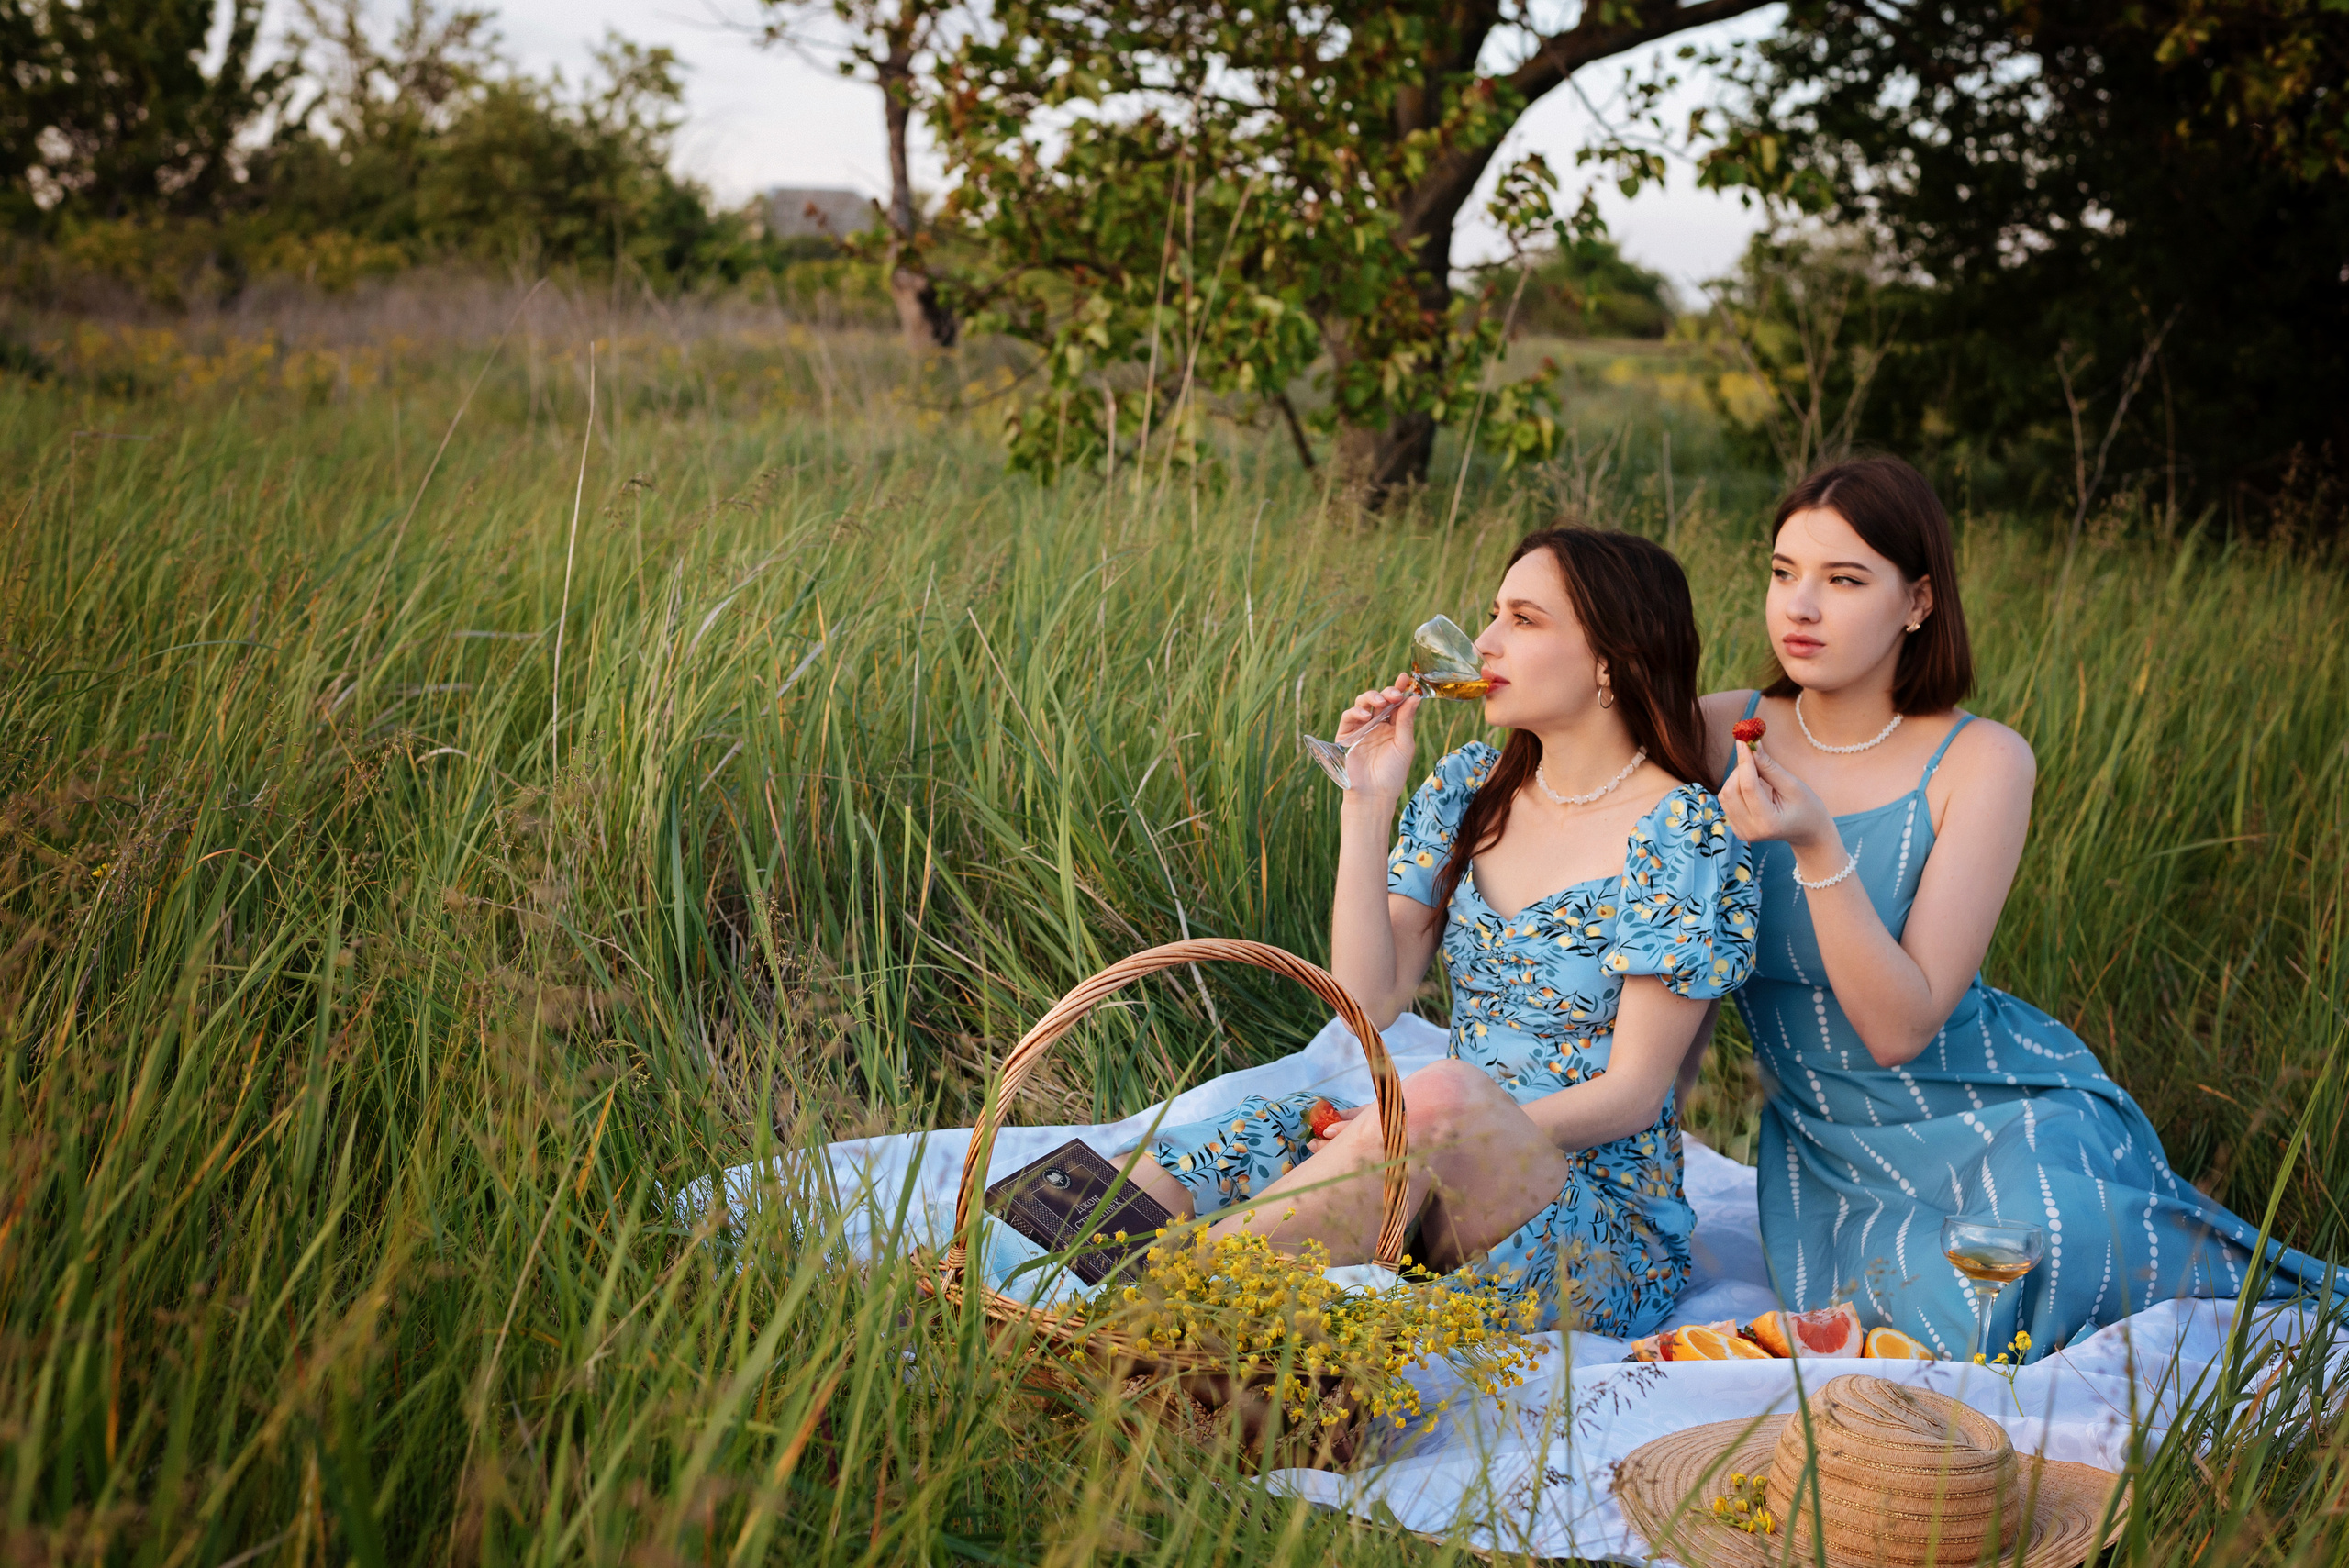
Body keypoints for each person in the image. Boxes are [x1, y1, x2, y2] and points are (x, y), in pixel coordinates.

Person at [1695, 454, 2330, 1360]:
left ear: (1916, 601)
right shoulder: (1721, 728)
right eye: (1782, 571)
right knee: (1925, 1304)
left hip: (1998, 1104)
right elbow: (1573, 746)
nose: (1798, 606)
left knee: (2025, 1246)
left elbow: (1899, 1029)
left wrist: (1816, 845)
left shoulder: (1980, 758)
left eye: (1843, 579)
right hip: (1829, 1153)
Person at [1128, 528, 1759, 1337]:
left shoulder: (1684, 831)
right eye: (1493, 613)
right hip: (1434, 1154)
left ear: (1612, 658)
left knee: (1434, 1094)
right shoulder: (1469, 788)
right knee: (1247, 1133)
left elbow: (1636, 1092)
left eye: (1524, 620)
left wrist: (1429, 1129)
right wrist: (1366, 800)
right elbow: (1370, 998)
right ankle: (1020, 1275)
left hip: (1591, 1221)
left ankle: (1147, 1322)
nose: (1485, 641)